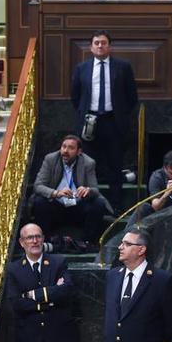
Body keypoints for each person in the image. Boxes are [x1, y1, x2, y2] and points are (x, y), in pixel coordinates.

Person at [71, 30, 138, 212]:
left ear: (110, 46)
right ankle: (89, 206)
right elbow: (75, 97)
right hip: (90, 122)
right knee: (87, 165)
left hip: (113, 122)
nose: (100, 46)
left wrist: (121, 115)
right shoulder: (82, 68)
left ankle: (116, 207)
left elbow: (132, 97)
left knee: (115, 164)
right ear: (91, 47)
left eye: (103, 43)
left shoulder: (123, 67)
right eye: (96, 43)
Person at [32, 134, 110, 245]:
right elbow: (38, 185)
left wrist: (88, 190)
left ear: (79, 152)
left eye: (71, 148)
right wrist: (56, 193)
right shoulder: (50, 159)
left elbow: (95, 189)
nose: (65, 151)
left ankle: (86, 243)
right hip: (56, 206)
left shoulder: (88, 163)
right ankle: (46, 242)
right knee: (39, 201)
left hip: (78, 207)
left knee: (99, 203)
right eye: (63, 147)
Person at [127, 150, 172, 227]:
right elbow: (155, 207)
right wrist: (166, 194)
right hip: (161, 216)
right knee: (143, 207)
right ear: (165, 169)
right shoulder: (157, 177)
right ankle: (127, 233)